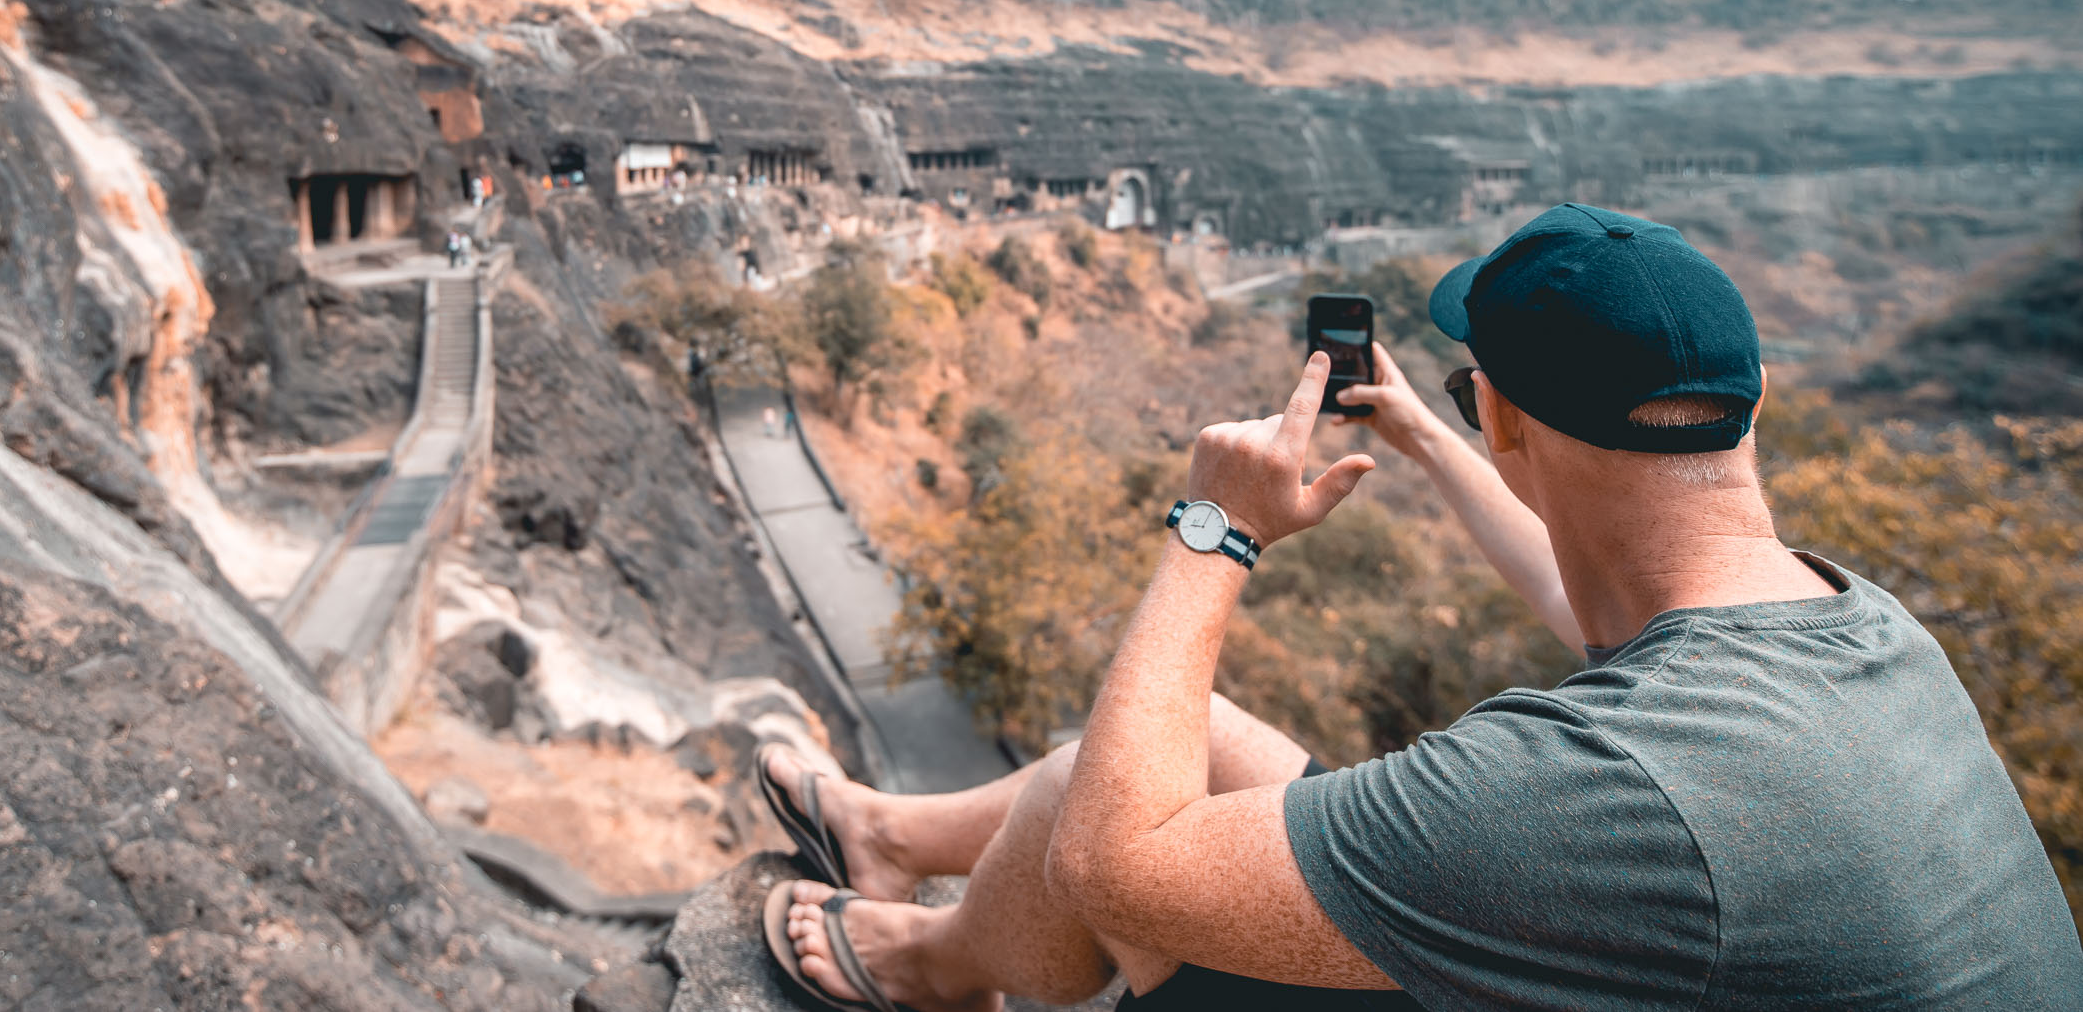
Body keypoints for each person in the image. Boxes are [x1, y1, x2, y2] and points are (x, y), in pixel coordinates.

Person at [759, 204, 2082, 1011]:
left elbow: (1119, 864)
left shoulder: (1607, 791)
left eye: (1476, 400)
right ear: (1756, 393)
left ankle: (938, 972)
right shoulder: (1858, 625)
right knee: (1189, 734)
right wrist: (1440, 442)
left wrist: (1214, 529)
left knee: (1107, 801)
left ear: (1510, 409)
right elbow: (1601, 597)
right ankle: (885, 832)